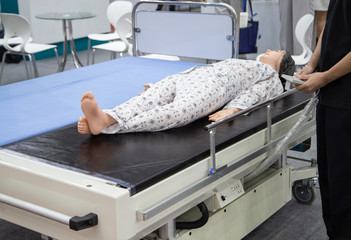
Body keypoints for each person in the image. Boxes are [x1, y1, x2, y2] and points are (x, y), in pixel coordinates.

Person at [78, 50, 295, 135]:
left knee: (175, 110)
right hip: (196, 77)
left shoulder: (272, 77)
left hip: (213, 84)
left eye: (276, 51)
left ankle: (111, 121)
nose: (268, 51)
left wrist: (233, 110)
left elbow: (255, 95)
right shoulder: (252, 64)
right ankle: (107, 118)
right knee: (155, 100)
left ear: (281, 65)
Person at [295, 1, 351, 239]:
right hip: (330, 95)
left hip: (346, 98)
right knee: (329, 181)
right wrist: (310, 66)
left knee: (344, 186)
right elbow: (330, 27)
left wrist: (325, 77)